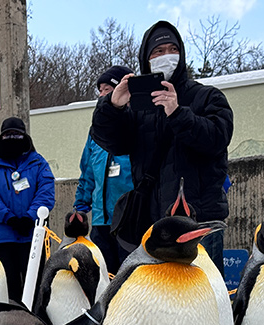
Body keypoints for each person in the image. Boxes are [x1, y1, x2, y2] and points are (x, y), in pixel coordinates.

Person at [91, 20, 232, 276]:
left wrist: (177, 113)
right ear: (146, 59)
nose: (166, 55)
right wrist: (113, 106)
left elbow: (217, 138)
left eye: (172, 49)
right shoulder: (138, 108)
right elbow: (111, 141)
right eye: (158, 51)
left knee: (206, 296)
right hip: (155, 226)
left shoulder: (208, 97)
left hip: (199, 225)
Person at [0, 117, 56, 302]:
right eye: (8, 135)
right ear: (1, 137)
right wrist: (8, 217)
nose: (12, 138)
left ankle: (36, 317)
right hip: (3, 236)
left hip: (33, 235)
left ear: (25, 136)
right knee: (9, 285)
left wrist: (30, 217)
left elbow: (46, 192)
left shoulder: (39, 163)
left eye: (16, 134)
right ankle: (11, 318)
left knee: (35, 284)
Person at [73, 65, 135, 275]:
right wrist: (81, 205)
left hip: (129, 218)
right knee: (104, 277)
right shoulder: (96, 133)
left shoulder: (137, 124)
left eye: (107, 90)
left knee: (130, 277)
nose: (101, 95)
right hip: (101, 220)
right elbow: (87, 173)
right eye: (100, 91)